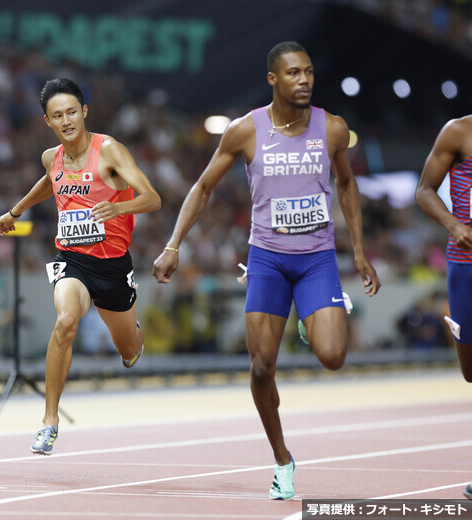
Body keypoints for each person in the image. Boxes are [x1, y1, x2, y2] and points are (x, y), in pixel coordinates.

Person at [152, 42, 380, 499]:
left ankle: (309, 326)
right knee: (260, 368)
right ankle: (282, 460)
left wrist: (358, 248)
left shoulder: (332, 128)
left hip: (316, 258)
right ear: (273, 79)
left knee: (333, 356)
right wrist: (173, 244)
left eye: (310, 72)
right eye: (294, 73)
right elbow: (202, 188)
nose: (305, 80)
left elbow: (348, 184)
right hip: (268, 260)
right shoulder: (244, 130)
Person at [0, 78, 161, 455]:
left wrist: (118, 207)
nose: (66, 120)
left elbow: (153, 198)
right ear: (47, 121)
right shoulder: (50, 156)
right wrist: (15, 211)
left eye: (72, 112)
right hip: (72, 260)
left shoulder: (110, 152)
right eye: (58, 115)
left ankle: (132, 335)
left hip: (114, 266)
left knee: (128, 350)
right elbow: (49, 182)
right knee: (66, 321)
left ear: (84, 112)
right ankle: (49, 420)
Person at [414, 114, 472, 499]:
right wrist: (454, 225)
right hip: (466, 264)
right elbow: (423, 191)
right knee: (471, 373)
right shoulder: (459, 131)